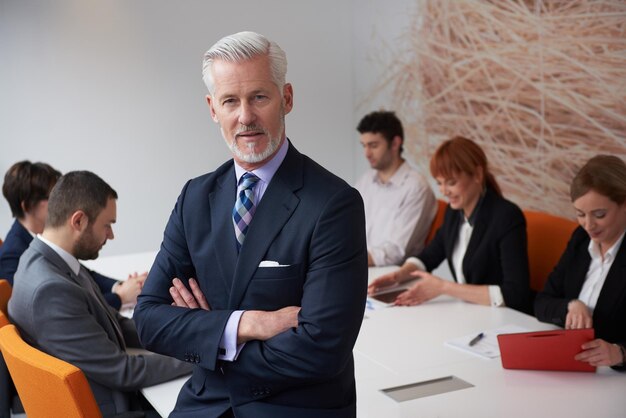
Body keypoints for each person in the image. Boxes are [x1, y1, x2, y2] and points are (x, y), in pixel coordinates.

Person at [133, 31, 367, 418]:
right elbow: (150, 320)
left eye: (259, 97)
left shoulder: (333, 204)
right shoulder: (194, 198)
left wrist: (207, 334)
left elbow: (322, 349)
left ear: (286, 98)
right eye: (230, 101)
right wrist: (247, 324)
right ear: (212, 108)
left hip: (294, 408)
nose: (245, 117)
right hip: (203, 406)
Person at [8, 171, 193, 416]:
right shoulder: (50, 290)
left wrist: (177, 334)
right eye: (107, 225)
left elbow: (113, 322)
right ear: (79, 221)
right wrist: (196, 357)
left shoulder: (47, 259)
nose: (111, 235)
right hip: (109, 407)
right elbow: (122, 371)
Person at [368, 136, 531, 313]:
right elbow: (429, 256)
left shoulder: (506, 216)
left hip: (504, 316)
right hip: (471, 312)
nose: (444, 191)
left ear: (477, 174)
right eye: (440, 183)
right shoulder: (454, 212)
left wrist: (444, 287)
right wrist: (399, 275)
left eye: (451, 182)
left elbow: (516, 293)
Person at [0, 160, 145, 309]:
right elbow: (53, 305)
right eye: (52, 196)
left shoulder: (45, 236)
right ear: (27, 206)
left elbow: (82, 273)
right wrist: (119, 297)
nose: (61, 201)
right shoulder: (12, 255)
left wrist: (123, 286)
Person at [535, 155, 626, 370]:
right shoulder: (580, 239)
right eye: (580, 214)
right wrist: (572, 306)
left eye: (600, 214)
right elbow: (542, 302)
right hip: (574, 366)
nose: (589, 225)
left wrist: (620, 353)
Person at [355, 110, 437, 266]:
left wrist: (347, 261)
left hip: (393, 276)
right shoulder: (365, 181)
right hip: (360, 269)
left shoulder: (416, 187)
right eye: (364, 145)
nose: (366, 153)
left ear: (395, 143)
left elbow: (395, 253)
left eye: (373, 145)